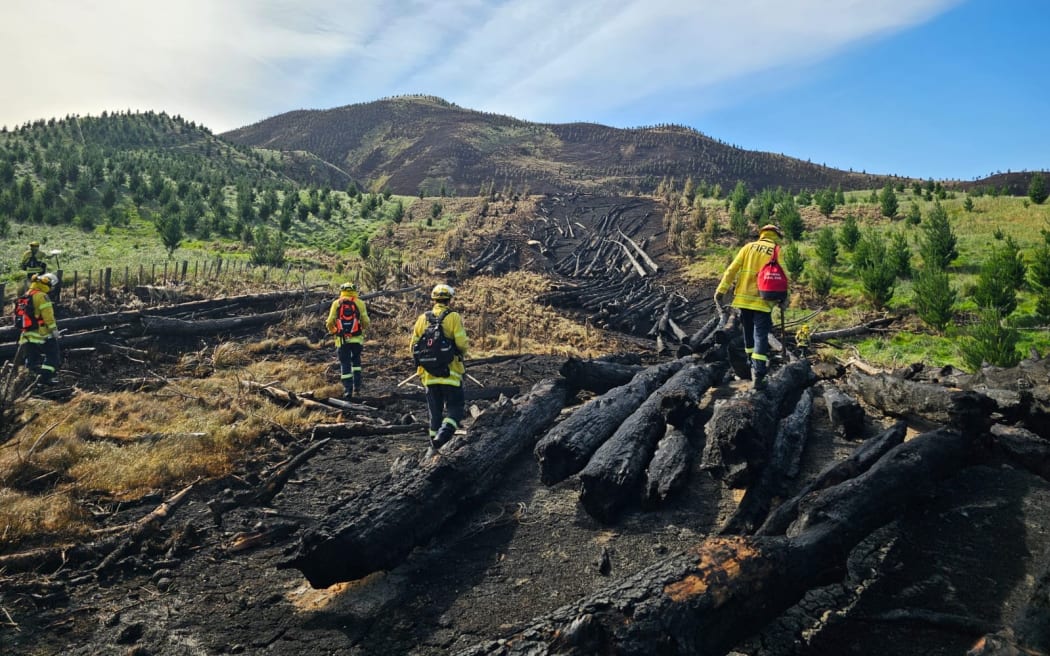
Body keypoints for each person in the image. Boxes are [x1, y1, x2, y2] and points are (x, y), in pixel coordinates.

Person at [714, 224, 786, 390]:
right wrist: (783, 300)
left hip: (743, 300)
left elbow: (731, 270)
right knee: (760, 334)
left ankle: (750, 363)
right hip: (764, 300)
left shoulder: (748, 248)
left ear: (762, 234)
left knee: (748, 331)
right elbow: (784, 276)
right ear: (776, 235)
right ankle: (759, 373)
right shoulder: (776, 250)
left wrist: (720, 291)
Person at [410, 284, 470, 452]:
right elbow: (462, 343)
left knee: (434, 414)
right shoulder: (453, 317)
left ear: (434, 299)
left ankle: (433, 448)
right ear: (449, 299)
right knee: (455, 409)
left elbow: (413, 346)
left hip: (428, 376)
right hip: (450, 373)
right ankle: (443, 435)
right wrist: (461, 352)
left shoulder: (423, 318)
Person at [325, 281, 371, 400]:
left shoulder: (336, 303)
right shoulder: (360, 303)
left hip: (342, 340)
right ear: (355, 291)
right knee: (356, 362)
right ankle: (357, 387)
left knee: (345, 363)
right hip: (357, 339)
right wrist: (360, 330)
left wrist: (334, 331)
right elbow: (366, 321)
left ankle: (347, 390)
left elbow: (330, 321)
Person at [16, 273, 62, 386]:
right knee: (53, 356)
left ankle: (31, 381)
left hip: (26, 335)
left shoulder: (26, 295)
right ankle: (45, 379)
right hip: (42, 334)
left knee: (32, 359)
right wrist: (54, 330)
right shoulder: (42, 296)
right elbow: (48, 316)